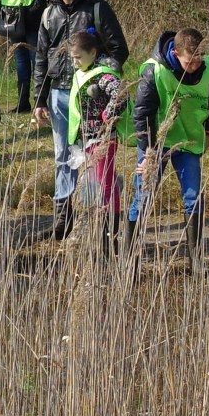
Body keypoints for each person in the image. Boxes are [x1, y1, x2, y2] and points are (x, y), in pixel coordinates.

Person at [33, 0, 128, 240]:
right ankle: (63, 220)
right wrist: (39, 99)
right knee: (63, 155)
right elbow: (41, 56)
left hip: (91, 96)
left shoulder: (97, 7)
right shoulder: (48, 13)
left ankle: (104, 221)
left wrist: (100, 78)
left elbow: (118, 49)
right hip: (60, 94)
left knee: (98, 157)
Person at [126, 29, 209, 255]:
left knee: (193, 196)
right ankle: (130, 258)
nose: (195, 66)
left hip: (189, 141)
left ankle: (195, 260)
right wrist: (147, 153)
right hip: (157, 144)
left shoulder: (207, 68)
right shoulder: (153, 70)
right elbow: (142, 114)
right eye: (189, 62)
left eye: (198, 61)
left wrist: (208, 132)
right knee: (144, 195)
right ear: (175, 53)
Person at [64, 34, 126, 253]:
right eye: (72, 58)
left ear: (93, 53)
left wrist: (107, 116)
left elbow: (121, 94)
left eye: (78, 57)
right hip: (88, 139)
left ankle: (111, 240)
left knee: (105, 187)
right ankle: (102, 236)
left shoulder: (102, 76)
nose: (75, 62)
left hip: (103, 139)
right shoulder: (82, 72)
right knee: (96, 187)